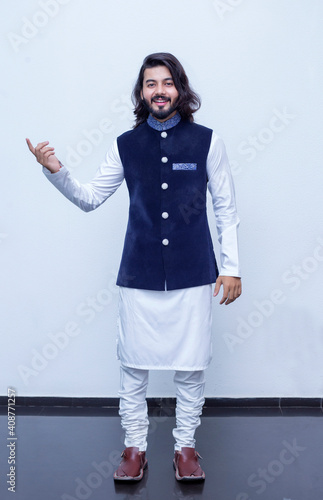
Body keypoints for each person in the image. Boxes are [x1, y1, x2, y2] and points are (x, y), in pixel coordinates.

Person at [26, 52, 241, 482]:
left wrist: (231, 266)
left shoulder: (208, 142)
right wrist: (56, 171)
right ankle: (134, 448)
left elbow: (226, 208)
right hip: (138, 271)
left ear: (180, 89)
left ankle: (185, 449)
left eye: (167, 83)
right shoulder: (126, 144)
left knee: (192, 364)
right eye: (150, 84)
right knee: (132, 367)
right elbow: (89, 198)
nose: (159, 91)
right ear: (141, 93)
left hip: (193, 271)